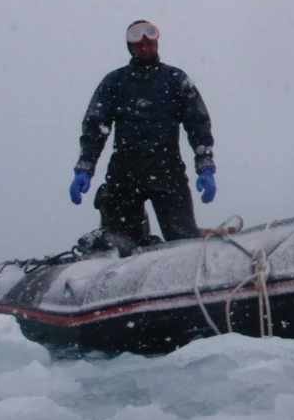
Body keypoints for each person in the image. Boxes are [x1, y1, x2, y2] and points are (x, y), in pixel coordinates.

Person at [69, 20, 216, 250]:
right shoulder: (115, 83)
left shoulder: (176, 80)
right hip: (124, 174)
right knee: (120, 245)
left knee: (183, 243)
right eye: (139, 45)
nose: (146, 49)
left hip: (167, 172)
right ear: (131, 47)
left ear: (157, 43)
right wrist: (84, 168)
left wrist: (205, 165)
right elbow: (95, 128)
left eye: (150, 43)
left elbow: (198, 123)